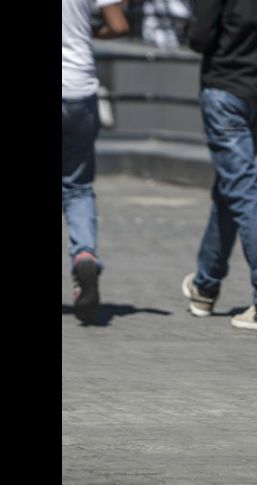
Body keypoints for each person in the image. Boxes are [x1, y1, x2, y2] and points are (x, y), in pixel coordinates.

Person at [182, 0, 257, 331]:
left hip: (226, 87)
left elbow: (200, 37)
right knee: (232, 187)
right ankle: (205, 286)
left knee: (242, 188)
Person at [62, 0, 129, 324]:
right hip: (77, 89)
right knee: (77, 186)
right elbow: (118, 25)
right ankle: (84, 254)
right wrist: (86, 32)